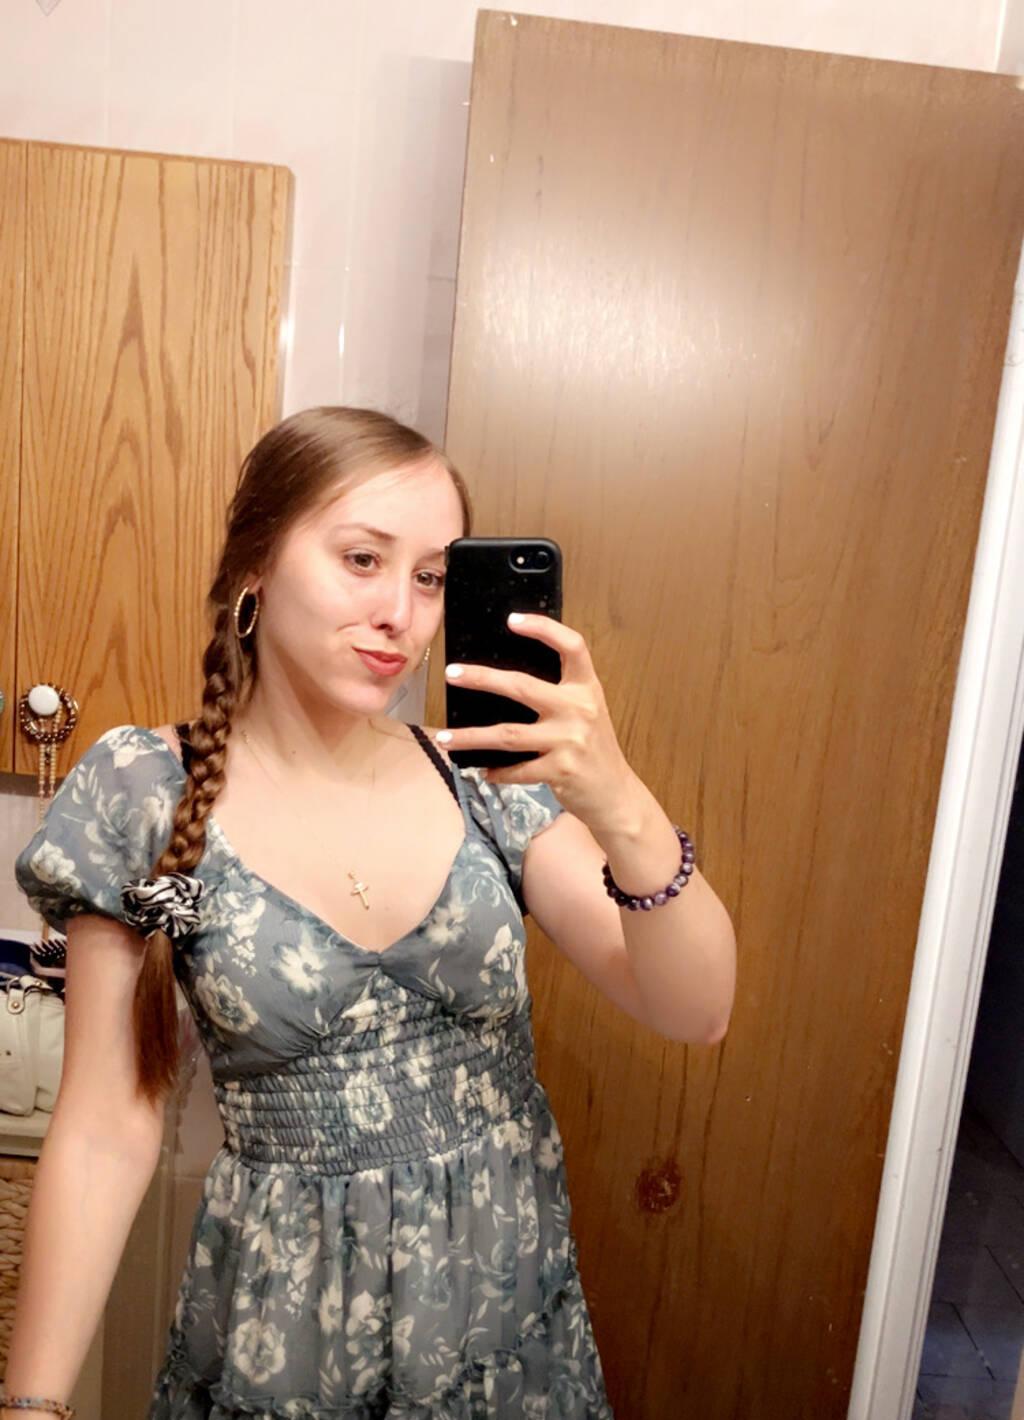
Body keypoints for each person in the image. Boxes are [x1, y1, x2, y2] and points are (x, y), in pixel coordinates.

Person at [6, 406, 736, 1419]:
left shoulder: (479, 782)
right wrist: (31, 1405)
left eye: (431, 577)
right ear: (256, 564)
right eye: (362, 559)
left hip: (504, 1332)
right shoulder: (146, 793)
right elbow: (105, 1128)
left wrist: (617, 798)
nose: (401, 611)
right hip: (288, 1343)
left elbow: (695, 1008)